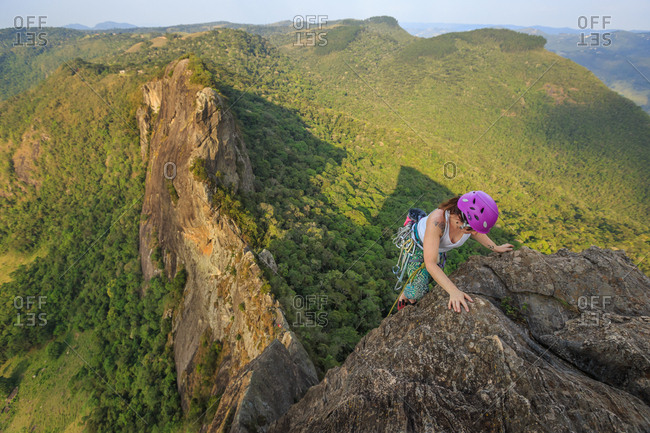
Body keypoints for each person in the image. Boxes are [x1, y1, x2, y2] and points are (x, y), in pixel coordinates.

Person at [396, 191, 513, 313]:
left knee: (430, 278)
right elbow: (430, 264)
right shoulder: (437, 222)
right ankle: (406, 294)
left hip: (437, 247)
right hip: (418, 245)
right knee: (419, 290)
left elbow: (477, 233)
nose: (473, 233)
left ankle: (411, 293)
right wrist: (454, 291)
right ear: (458, 218)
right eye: (471, 229)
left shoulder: (466, 223)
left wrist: (495, 247)